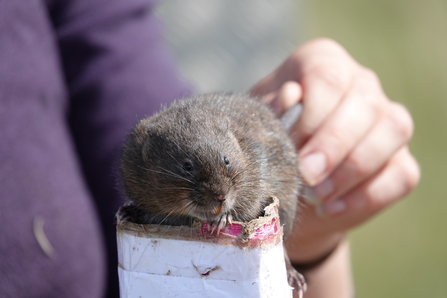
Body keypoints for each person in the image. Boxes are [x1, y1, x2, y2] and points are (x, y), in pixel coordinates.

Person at [0, 1, 419, 298]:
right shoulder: (146, 159)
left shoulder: (86, 16)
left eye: (224, 164)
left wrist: (305, 248)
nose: (219, 193)